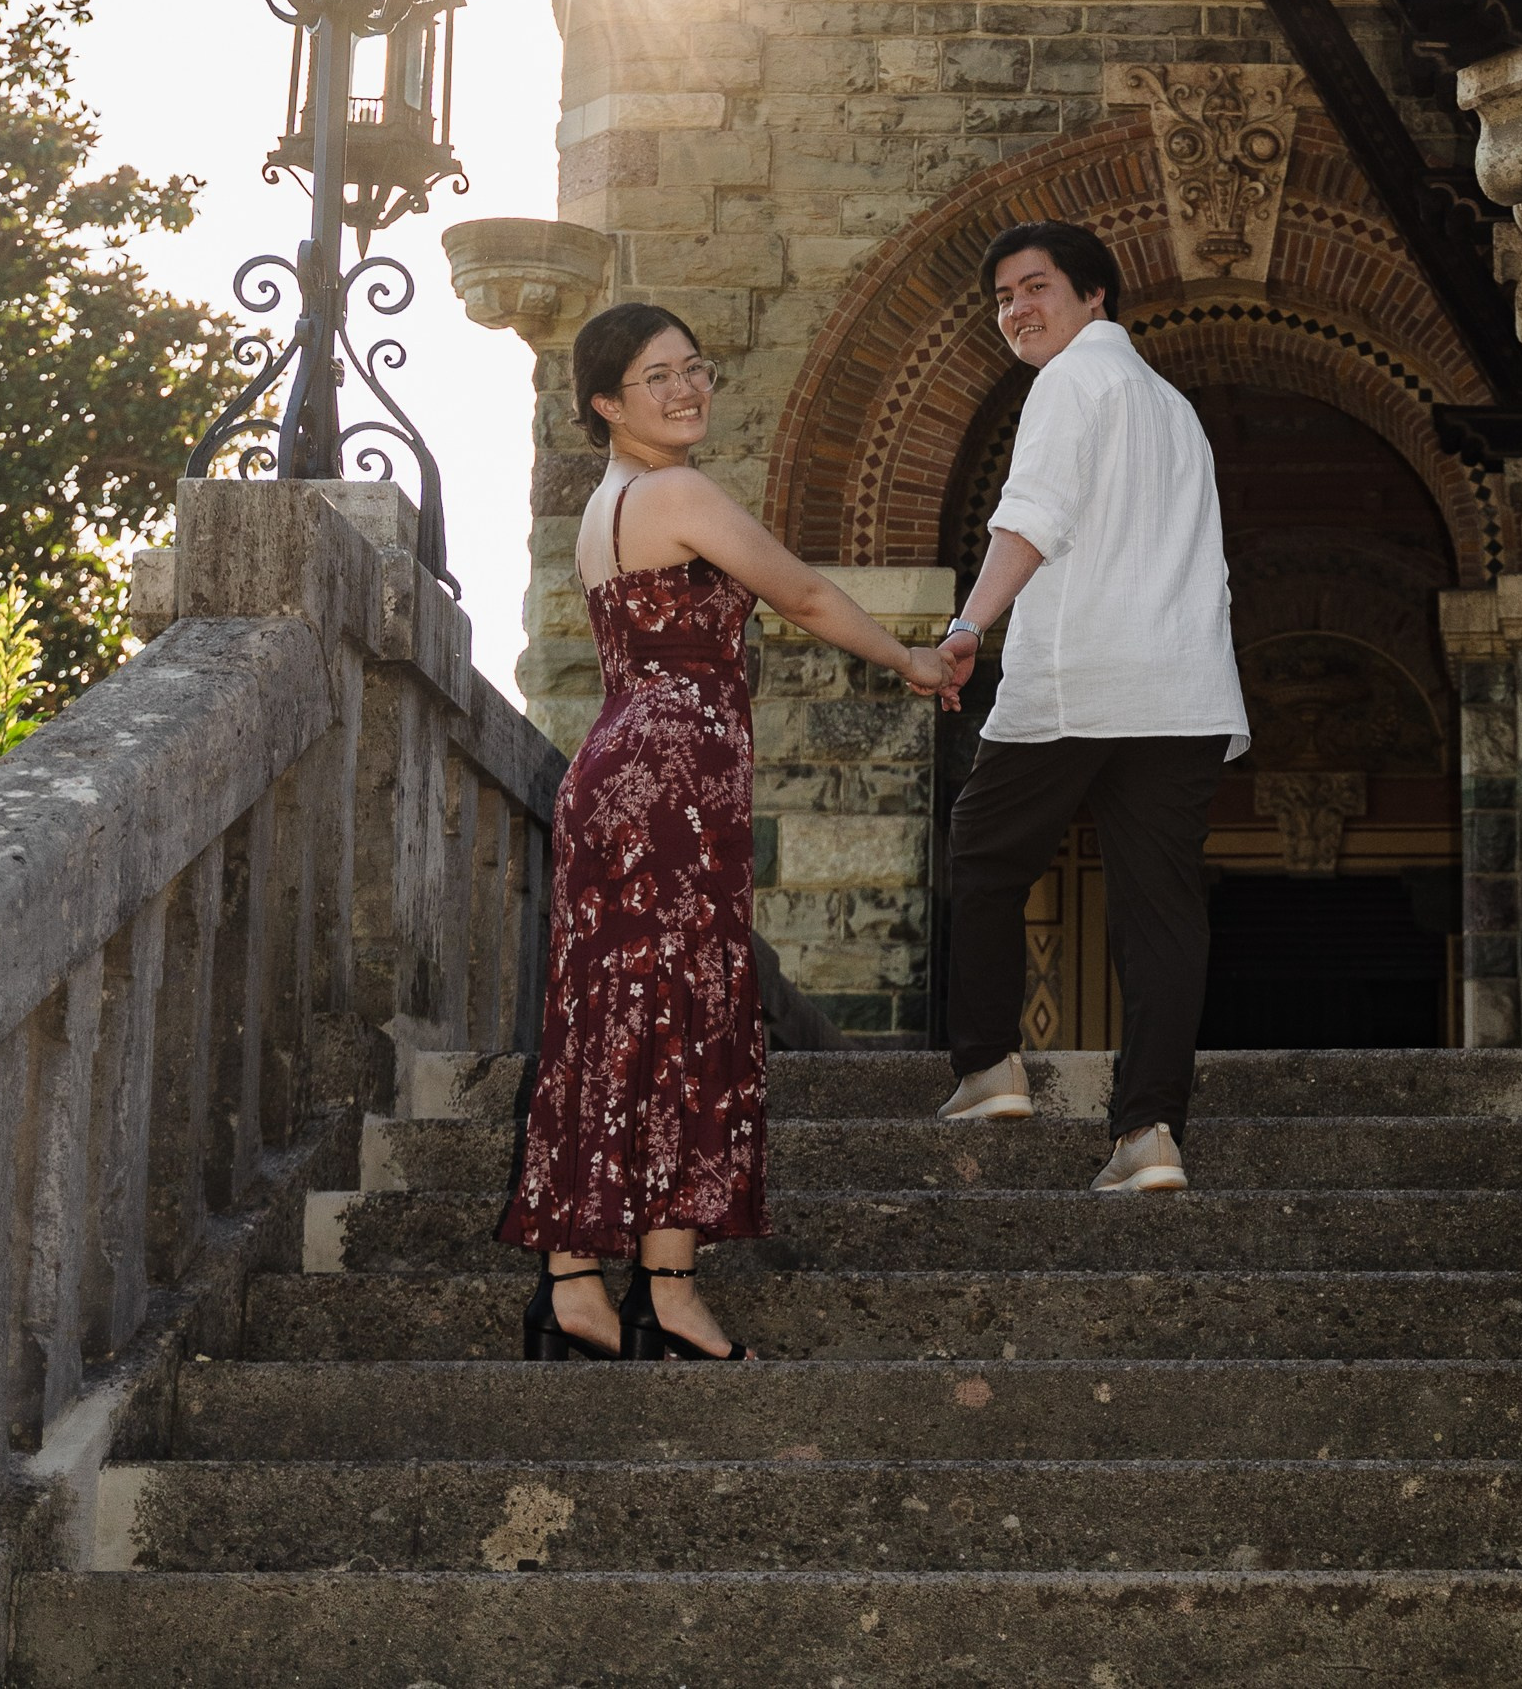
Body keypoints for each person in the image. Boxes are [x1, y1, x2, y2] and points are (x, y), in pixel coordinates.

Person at [497, 297, 956, 1359]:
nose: (688, 388)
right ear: (606, 404)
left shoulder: (607, 505)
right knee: (676, 1025)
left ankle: (582, 1279)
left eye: (695, 367)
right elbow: (794, 591)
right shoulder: (673, 491)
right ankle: (660, 1285)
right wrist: (912, 660)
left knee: (623, 1022)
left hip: (631, 773)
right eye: (658, 377)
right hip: (664, 785)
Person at [933, 220, 1248, 1193]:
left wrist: (967, 628)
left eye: (1035, 288)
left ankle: (988, 1064)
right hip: (1181, 688)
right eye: (1001, 299)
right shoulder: (1173, 409)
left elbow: (1031, 516)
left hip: (1081, 680)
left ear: (1093, 296)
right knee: (1160, 915)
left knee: (984, 857)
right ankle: (1149, 1133)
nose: (1016, 310)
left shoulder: (1069, 382)